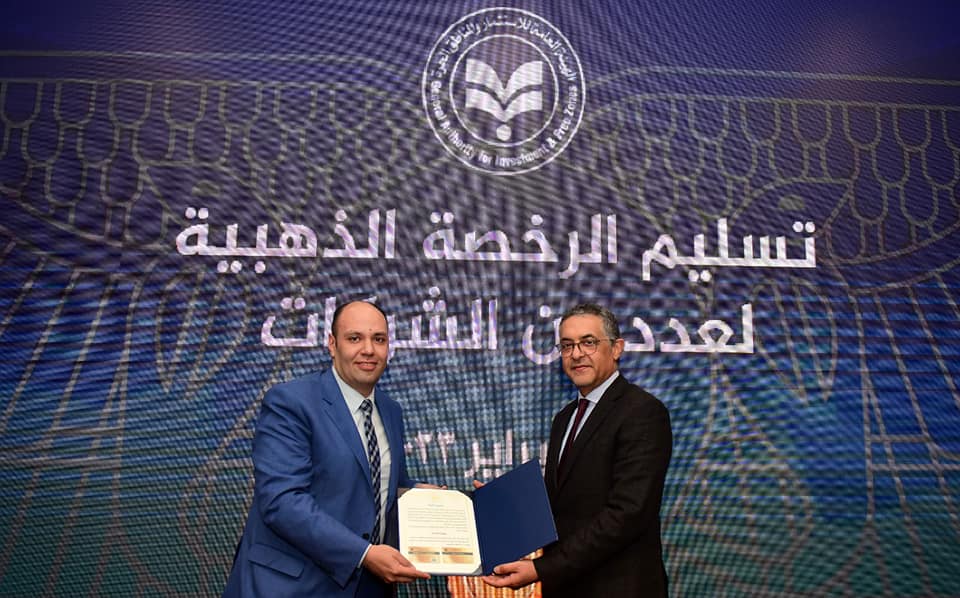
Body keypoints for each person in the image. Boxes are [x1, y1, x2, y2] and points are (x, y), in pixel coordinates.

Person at [222, 300, 431, 598]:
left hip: (368, 589)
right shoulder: (291, 402)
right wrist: (364, 554)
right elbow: (282, 501)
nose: (369, 350)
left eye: (379, 339)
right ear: (332, 345)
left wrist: (428, 497)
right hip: (292, 587)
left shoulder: (390, 410)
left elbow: (380, 486)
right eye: (355, 338)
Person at [481, 302, 673, 597]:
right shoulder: (565, 418)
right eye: (567, 345)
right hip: (566, 587)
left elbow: (628, 514)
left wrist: (542, 568)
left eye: (589, 342)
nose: (577, 354)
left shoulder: (643, 412)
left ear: (617, 348)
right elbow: (563, 504)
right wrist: (503, 506)